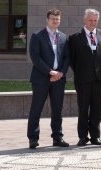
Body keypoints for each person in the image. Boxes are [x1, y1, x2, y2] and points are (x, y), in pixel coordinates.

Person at [26, 9, 71, 149]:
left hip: (59, 79)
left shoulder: (63, 37)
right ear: (47, 19)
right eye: (53, 18)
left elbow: (66, 57)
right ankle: (33, 138)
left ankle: (57, 137)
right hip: (41, 78)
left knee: (57, 110)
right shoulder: (37, 36)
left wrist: (61, 73)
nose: (55, 21)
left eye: (57, 19)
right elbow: (35, 57)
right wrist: (50, 72)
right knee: (36, 109)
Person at [68, 8, 101, 146]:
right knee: (83, 108)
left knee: (97, 109)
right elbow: (72, 60)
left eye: (95, 20)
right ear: (84, 20)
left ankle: (95, 136)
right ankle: (82, 137)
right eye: (90, 20)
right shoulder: (74, 37)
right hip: (83, 79)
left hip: (99, 79)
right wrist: (81, 71)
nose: (93, 23)